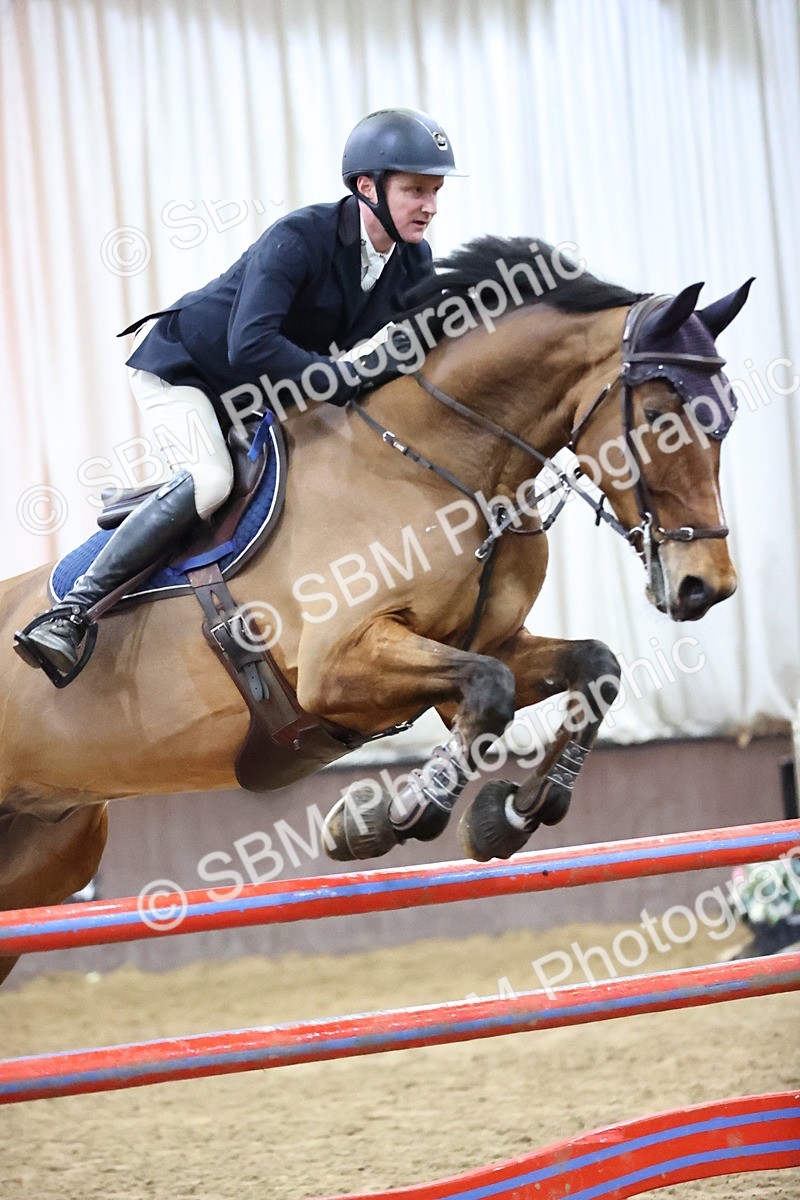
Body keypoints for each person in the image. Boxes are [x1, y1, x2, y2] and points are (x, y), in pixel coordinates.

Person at [17, 107, 461, 676]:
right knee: (211, 480)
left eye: (435, 191)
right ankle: (71, 614)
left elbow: (420, 341)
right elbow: (249, 344)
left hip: (263, 391)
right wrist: (343, 378)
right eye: (415, 190)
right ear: (367, 186)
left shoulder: (411, 258)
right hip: (186, 372)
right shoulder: (299, 238)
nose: (429, 205)